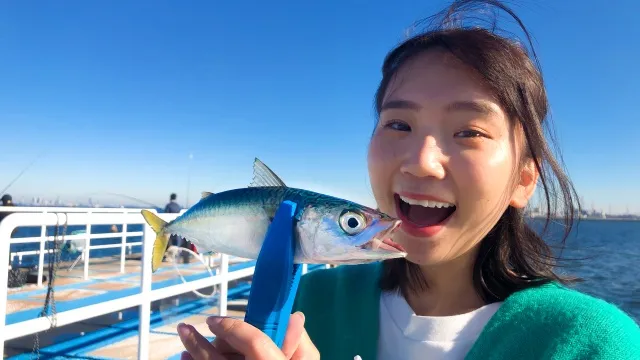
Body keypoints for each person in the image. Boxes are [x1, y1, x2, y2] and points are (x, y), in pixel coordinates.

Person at [176, 1, 640, 359]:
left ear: (523, 180)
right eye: (398, 125)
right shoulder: (307, 302)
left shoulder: (593, 343)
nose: (421, 162)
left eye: (469, 132)